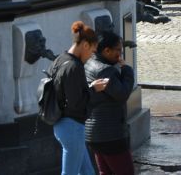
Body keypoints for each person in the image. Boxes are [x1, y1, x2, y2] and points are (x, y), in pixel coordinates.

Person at [51, 21, 102, 175]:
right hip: (72, 126)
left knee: (87, 172)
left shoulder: (60, 59)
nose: (91, 56)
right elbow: (76, 104)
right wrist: (94, 89)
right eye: (92, 51)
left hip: (62, 125)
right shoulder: (74, 66)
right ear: (85, 45)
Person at [84, 31, 136, 174]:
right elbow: (122, 94)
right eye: (118, 50)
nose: (120, 54)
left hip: (94, 133)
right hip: (110, 134)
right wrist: (127, 70)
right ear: (106, 50)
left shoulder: (89, 63)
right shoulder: (105, 70)